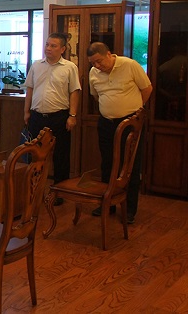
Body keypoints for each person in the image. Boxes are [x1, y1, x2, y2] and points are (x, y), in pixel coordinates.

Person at [87, 42, 152, 224]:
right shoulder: (93, 73)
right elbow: (96, 96)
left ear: (109, 54)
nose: (97, 66)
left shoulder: (129, 65)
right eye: (93, 63)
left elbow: (147, 88)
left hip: (129, 122)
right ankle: (108, 204)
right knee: (107, 163)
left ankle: (129, 209)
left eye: (99, 61)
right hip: (106, 123)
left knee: (129, 164)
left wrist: (135, 110)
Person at [24, 32, 81, 206]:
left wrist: (72, 115)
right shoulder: (36, 65)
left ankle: (59, 192)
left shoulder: (69, 67)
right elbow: (30, 89)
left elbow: (74, 91)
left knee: (61, 155)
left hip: (59, 117)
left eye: (53, 46)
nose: (48, 48)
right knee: (35, 154)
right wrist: (26, 112)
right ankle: (34, 190)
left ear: (62, 49)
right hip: (37, 116)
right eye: (47, 44)